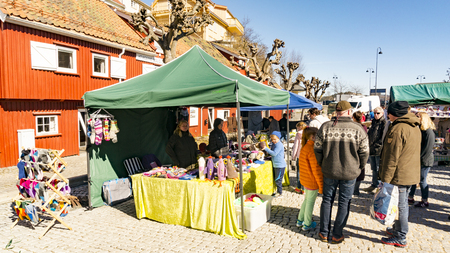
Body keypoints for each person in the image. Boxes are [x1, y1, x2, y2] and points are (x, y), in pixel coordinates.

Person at [314, 101, 369, 244]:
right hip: (350, 172)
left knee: (327, 200)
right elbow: (365, 152)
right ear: (349, 112)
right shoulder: (358, 129)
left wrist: (322, 163)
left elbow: (317, 148)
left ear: (336, 111)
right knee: (344, 202)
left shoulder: (325, 127)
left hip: (329, 170)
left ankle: (324, 232)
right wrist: (360, 167)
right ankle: (337, 234)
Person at [378, 101, 421, 247]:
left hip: (400, 174)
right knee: (399, 204)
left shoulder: (398, 128)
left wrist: (385, 179)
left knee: (401, 206)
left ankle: (400, 236)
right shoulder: (414, 125)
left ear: (394, 113)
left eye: (388, 112)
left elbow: (392, 157)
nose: (387, 115)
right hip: (409, 172)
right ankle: (396, 229)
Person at [296, 127, 322, 231]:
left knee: (306, 201)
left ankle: (300, 220)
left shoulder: (305, 147)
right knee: (309, 203)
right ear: (311, 137)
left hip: (305, 180)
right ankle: (307, 223)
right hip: (311, 181)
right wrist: (321, 186)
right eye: (316, 135)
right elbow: (316, 170)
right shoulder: (312, 149)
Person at [408, 112, 435, 208]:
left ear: (423, 118)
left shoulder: (428, 132)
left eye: (418, 117)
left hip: (425, 160)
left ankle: (424, 200)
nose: (416, 118)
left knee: (422, 180)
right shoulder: (421, 130)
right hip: (419, 159)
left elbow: (426, 149)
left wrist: (418, 160)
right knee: (414, 179)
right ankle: (410, 197)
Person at [362, 107, 386, 193]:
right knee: (373, 169)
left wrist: (377, 146)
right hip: (371, 149)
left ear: (382, 114)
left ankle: (378, 187)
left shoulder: (384, 123)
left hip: (378, 150)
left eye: (378, 113)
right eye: (375, 113)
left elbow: (383, 137)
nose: (376, 115)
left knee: (378, 169)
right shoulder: (373, 122)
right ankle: (374, 185)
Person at [263, 131, 286, 198]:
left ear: (278, 138)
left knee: (278, 179)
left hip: (280, 165)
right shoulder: (274, 144)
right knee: (276, 179)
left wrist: (266, 148)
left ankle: (280, 193)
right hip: (276, 164)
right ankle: (277, 191)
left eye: (275, 139)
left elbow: (274, 153)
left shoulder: (279, 145)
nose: (273, 141)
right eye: (272, 139)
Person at [352, 111, 367, 196]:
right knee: (360, 170)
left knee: (353, 170)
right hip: (361, 150)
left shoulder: (353, 127)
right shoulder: (364, 127)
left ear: (353, 118)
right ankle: (356, 190)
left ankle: (353, 189)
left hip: (354, 150)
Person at [291, 122, 308, 194]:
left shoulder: (298, 134)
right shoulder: (308, 133)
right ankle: (304, 188)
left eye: (297, 127)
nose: (297, 129)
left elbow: (296, 146)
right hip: (306, 155)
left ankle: (298, 187)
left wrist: (293, 156)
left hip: (299, 155)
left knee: (299, 172)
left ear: (300, 127)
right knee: (305, 172)